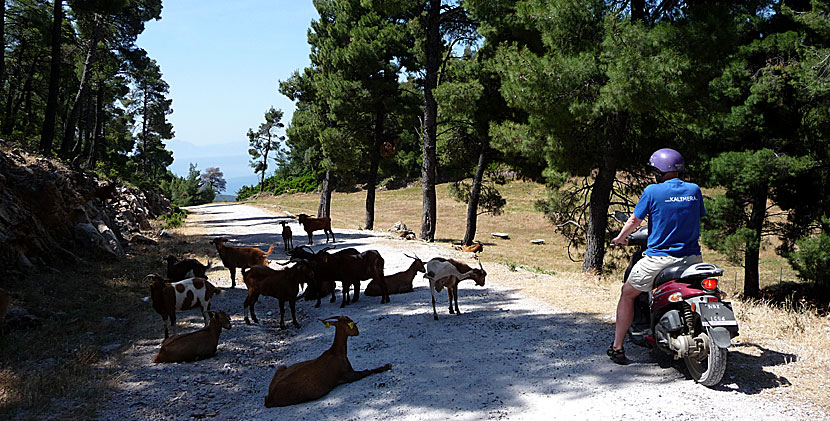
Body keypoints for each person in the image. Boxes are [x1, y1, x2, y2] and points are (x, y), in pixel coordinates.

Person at [606, 148, 706, 364]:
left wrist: (620, 238)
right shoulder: (694, 189)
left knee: (628, 293)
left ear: (659, 171)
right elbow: (696, 216)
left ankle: (617, 347)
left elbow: (634, 221)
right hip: (691, 259)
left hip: (659, 260)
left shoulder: (653, 191)